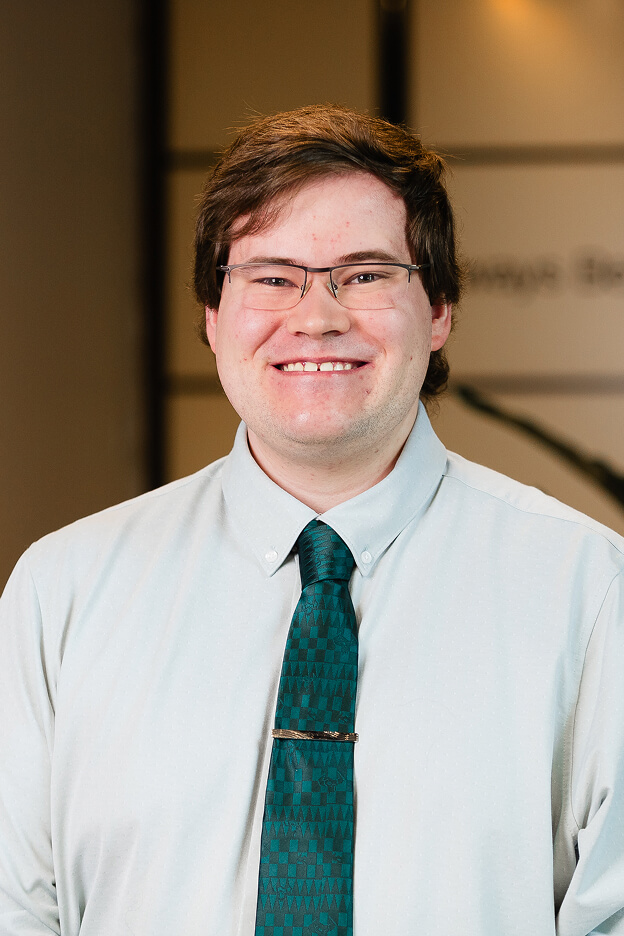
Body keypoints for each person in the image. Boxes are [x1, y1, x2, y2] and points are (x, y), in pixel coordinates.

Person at [0, 104, 623, 936]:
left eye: (365, 275)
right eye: (271, 277)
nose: (318, 316)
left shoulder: (590, 592)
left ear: (439, 309)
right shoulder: (62, 593)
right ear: (213, 317)